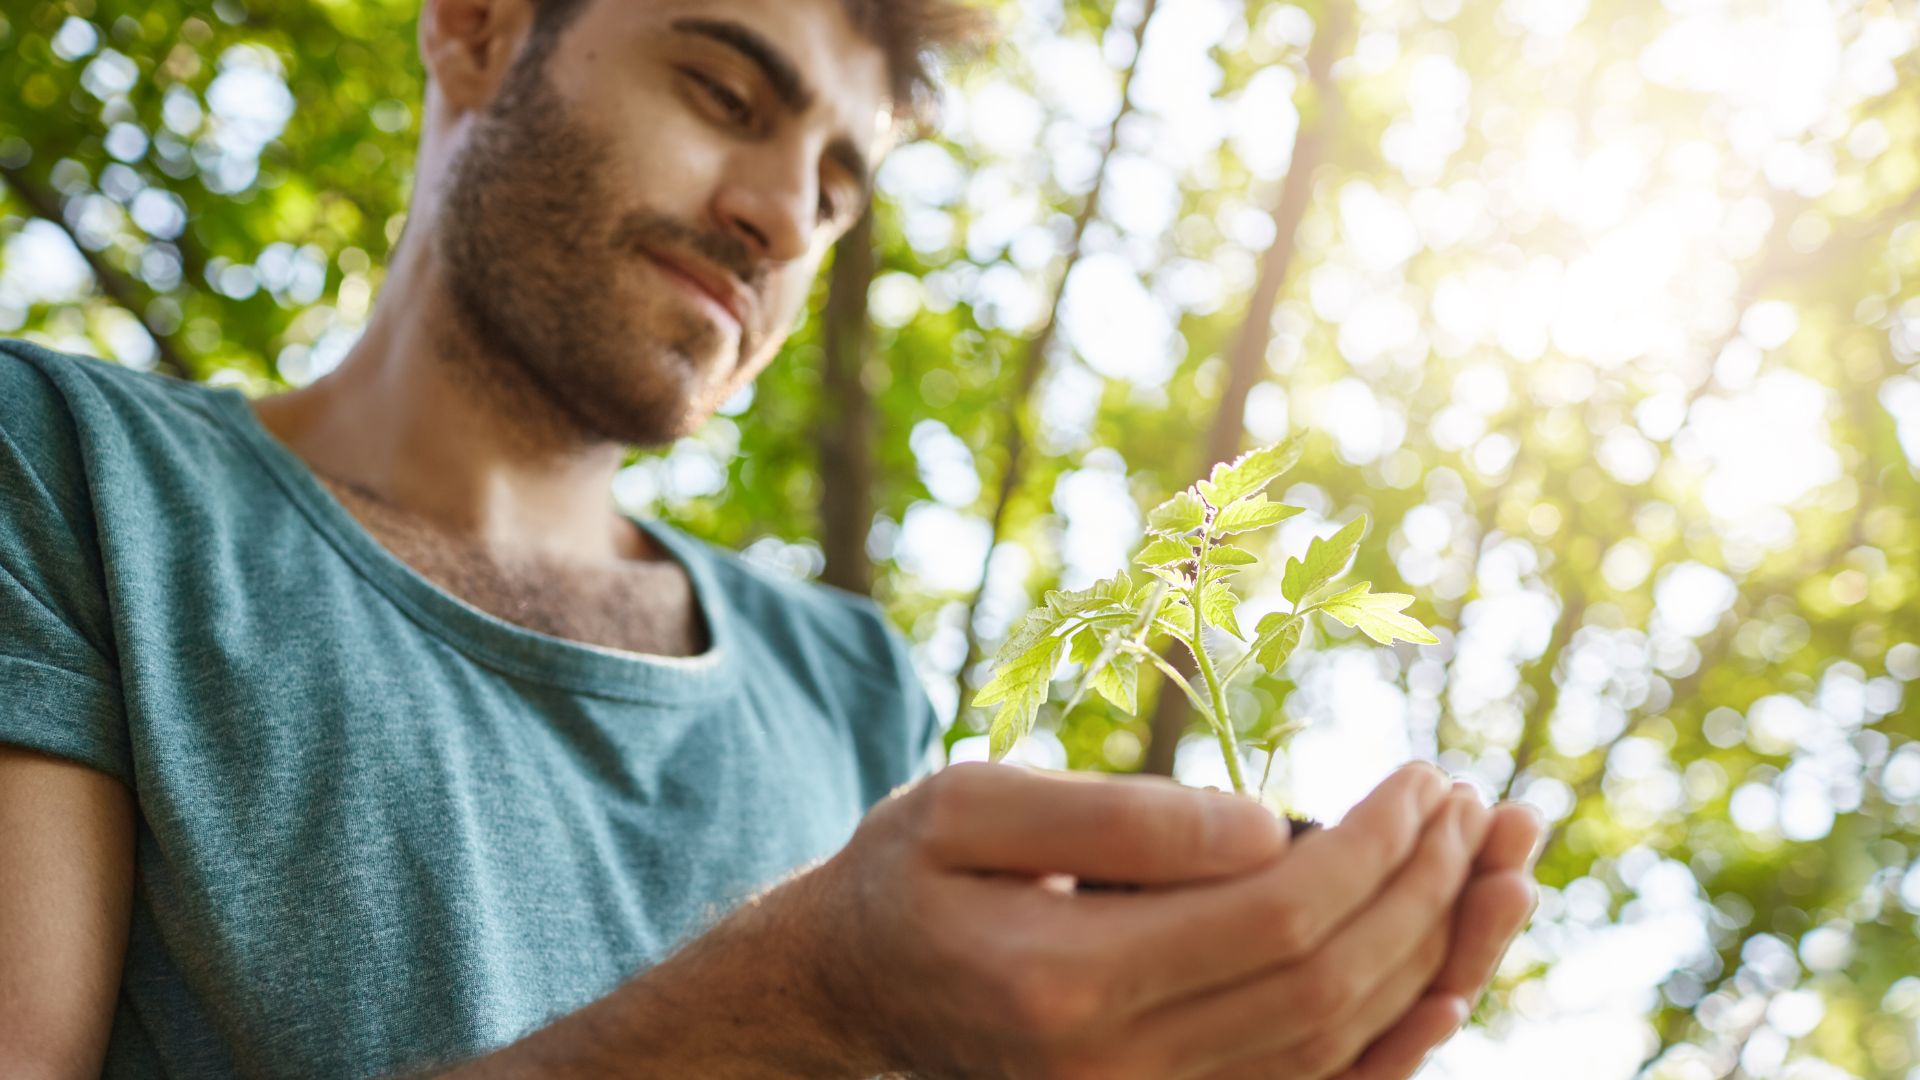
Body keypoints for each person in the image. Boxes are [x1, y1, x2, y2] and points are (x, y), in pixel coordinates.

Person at [0, 0, 1545, 1075]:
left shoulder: (851, 684)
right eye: (726, 96)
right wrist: (801, 994)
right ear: (477, 26)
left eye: (836, 184)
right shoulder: (65, 472)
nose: (785, 216)